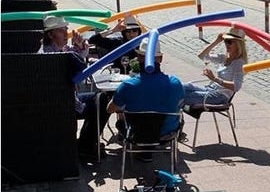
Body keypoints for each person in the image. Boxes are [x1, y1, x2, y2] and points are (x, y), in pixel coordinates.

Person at [38, 16, 110, 160]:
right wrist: (78, 54)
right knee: (103, 102)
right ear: (50, 34)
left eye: (66, 29)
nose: (66, 33)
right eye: (61, 30)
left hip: (68, 99)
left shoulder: (57, 49)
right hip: (63, 105)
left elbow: (77, 55)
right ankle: (86, 145)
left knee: (102, 98)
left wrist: (79, 46)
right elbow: (78, 69)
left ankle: (86, 143)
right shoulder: (49, 56)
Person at [107, 37, 184, 161]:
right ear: (160, 59)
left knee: (121, 117)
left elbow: (110, 109)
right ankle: (148, 152)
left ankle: (142, 152)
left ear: (138, 58)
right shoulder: (175, 83)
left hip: (137, 134)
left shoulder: (128, 85)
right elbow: (180, 104)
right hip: (166, 133)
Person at [182, 27, 247, 108]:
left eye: (229, 42)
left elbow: (237, 87)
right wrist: (216, 41)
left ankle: (172, 118)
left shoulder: (239, 63)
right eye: (225, 41)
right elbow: (202, 56)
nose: (227, 44)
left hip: (220, 96)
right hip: (210, 89)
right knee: (182, 87)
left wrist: (214, 79)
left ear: (238, 44)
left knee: (182, 95)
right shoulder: (224, 57)